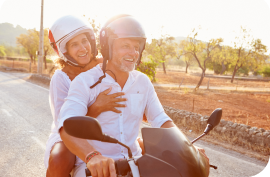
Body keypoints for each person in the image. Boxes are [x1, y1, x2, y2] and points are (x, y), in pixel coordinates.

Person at [58, 14, 209, 177]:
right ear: (108, 47)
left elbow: (160, 119)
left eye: (136, 47)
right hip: (95, 167)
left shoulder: (142, 82)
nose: (133, 53)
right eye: (125, 46)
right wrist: (92, 156)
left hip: (136, 163)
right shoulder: (85, 82)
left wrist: (187, 147)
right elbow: (66, 127)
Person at [44, 15, 127, 177]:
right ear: (64, 51)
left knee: (145, 147)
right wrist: (97, 107)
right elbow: (64, 124)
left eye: (84, 41)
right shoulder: (61, 78)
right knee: (60, 157)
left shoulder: (106, 65)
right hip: (69, 134)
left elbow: (128, 89)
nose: (82, 48)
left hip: (107, 127)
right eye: (74, 44)